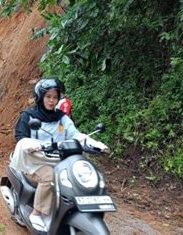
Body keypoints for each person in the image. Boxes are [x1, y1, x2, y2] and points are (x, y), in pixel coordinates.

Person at [11, 78, 109, 232]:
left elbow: (76, 135)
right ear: (40, 97)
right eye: (48, 97)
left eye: (55, 97)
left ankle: (66, 211)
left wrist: (94, 143)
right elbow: (21, 139)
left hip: (59, 161)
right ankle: (37, 213)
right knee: (50, 177)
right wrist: (37, 145)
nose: (51, 101)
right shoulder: (29, 116)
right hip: (35, 163)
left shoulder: (61, 117)